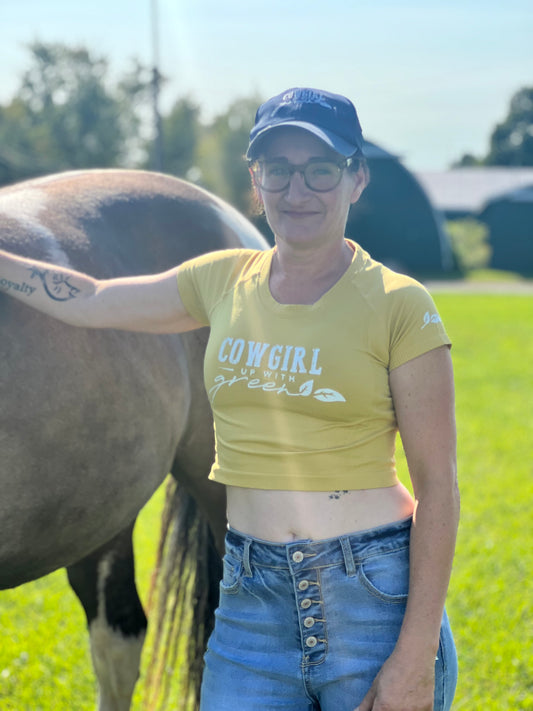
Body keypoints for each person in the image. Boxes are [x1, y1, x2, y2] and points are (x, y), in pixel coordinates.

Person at [0, 87, 459, 711]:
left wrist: (413, 655)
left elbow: (439, 490)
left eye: (321, 170)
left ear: (357, 179)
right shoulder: (221, 280)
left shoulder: (401, 305)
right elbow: (88, 299)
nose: (298, 192)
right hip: (249, 607)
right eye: (278, 170)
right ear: (256, 180)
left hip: (367, 598)